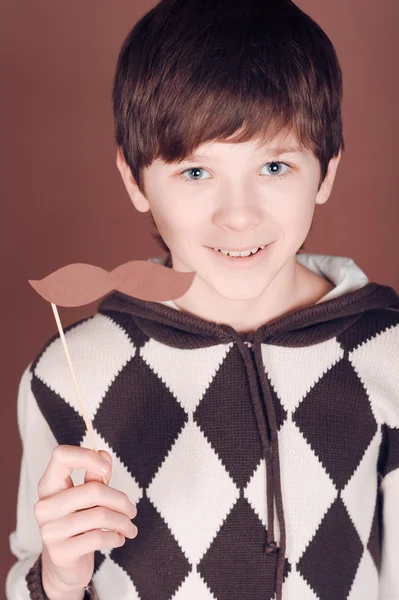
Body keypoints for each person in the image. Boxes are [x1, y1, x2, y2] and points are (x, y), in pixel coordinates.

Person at [6, 0, 399, 598]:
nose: (238, 215)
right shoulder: (68, 374)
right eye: (195, 173)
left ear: (326, 172)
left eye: (273, 165)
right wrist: (59, 577)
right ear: (135, 181)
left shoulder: (387, 350)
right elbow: (32, 581)